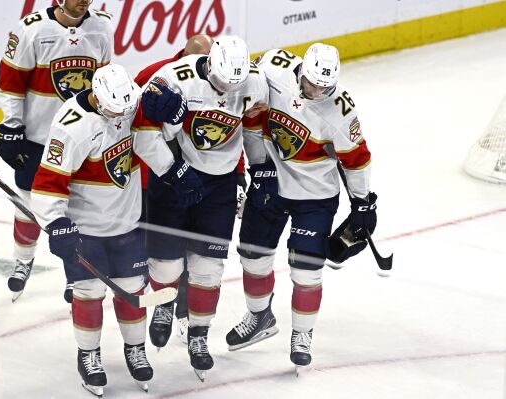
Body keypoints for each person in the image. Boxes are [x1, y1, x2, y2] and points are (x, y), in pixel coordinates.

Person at [226, 43, 378, 372]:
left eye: (325, 86)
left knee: (306, 268)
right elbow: (251, 113)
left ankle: (302, 335)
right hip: (271, 182)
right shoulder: (272, 68)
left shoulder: (340, 111)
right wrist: (259, 165)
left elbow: (356, 159)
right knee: (252, 254)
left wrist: (363, 202)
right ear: (301, 72)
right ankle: (259, 317)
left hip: (315, 194)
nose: (317, 90)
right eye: (312, 83)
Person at [132, 35, 268, 380]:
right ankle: (162, 305)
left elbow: (251, 128)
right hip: (173, 178)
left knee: (208, 268)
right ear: (210, 63)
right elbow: (143, 135)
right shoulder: (170, 78)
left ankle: (198, 336)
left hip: (219, 186)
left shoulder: (252, 82)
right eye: (221, 81)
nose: (226, 90)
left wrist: (255, 169)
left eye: (232, 85)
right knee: (166, 265)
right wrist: (173, 170)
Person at [30, 64, 152, 397]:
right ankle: (89, 355)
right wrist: (55, 223)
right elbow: (48, 182)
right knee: (89, 292)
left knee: (131, 288)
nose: (120, 117)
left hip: (127, 222)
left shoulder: (131, 101)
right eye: (114, 110)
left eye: (124, 110)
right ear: (96, 98)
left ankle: (135, 348)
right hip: (86, 228)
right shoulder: (71, 127)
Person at [0, 0, 114, 302]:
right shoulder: (31, 29)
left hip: (81, 139)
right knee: (27, 206)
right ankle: (23, 260)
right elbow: (11, 83)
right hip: (39, 138)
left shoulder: (101, 26)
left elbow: (104, 81)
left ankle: (76, 273)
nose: (84, 1)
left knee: (78, 211)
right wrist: (12, 128)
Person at [133, 34, 214, 347]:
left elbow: (227, 133)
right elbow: (133, 125)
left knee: (191, 251)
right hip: (154, 179)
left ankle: (180, 312)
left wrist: (237, 177)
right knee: (160, 251)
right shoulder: (155, 75)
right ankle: (161, 304)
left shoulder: (216, 81)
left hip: (201, 179)